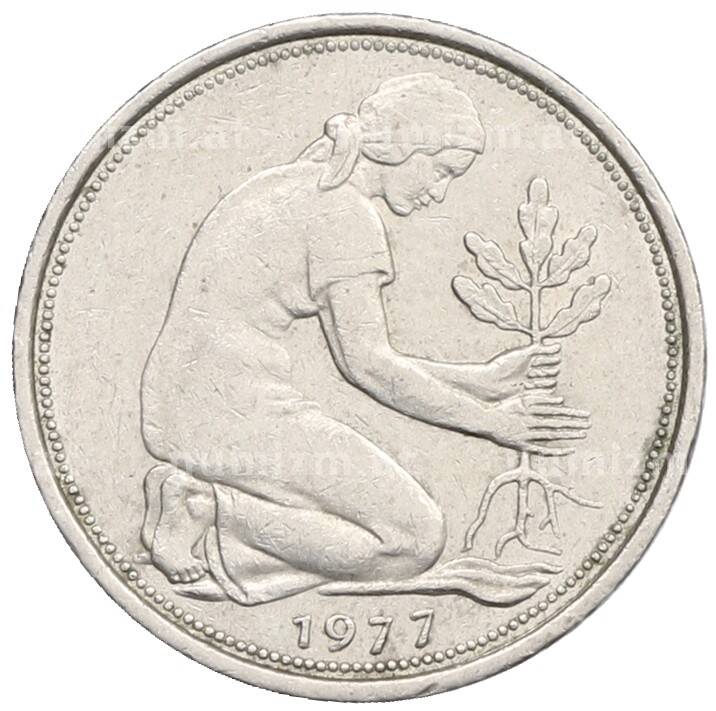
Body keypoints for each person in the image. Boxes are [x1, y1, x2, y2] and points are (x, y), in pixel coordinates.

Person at [139, 73, 587, 605]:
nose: (439, 191)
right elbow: (369, 366)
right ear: (406, 147)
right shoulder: (345, 214)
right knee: (412, 540)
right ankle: (203, 509)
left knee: (374, 522)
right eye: (442, 170)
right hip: (229, 415)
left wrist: (481, 380)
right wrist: (492, 422)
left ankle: (206, 513)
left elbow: (367, 357)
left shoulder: (299, 182)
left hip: (185, 405)